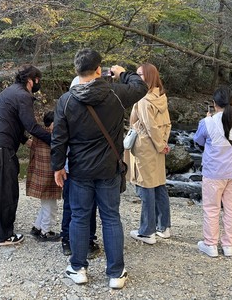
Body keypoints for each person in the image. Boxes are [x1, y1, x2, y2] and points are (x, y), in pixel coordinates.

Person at [51, 49, 146, 289]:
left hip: (80, 169)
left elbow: (59, 138)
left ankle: (78, 267)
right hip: (109, 168)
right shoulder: (115, 93)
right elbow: (141, 87)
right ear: (98, 69)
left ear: (76, 70)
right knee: (111, 217)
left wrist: (57, 166)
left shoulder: (67, 99)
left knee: (80, 217)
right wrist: (123, 74)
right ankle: (115, 273)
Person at [0, 64, 51, 246]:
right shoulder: (23, 95)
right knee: (7, 191)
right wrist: (54, 140)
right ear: (31, 80)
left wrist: (26, 141)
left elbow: (10, 121)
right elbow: (31, 125)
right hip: (2, 148)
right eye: (38, 80)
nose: (38, 84)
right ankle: (4, 235)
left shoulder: (8, 92)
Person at [194, 86, 232, 257]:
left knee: (211, 208)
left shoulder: (207, 123)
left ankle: (210, 244)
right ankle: (228, 245)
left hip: (213, 172)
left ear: (214, 104)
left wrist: (205, 120)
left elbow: (198, 140)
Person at [126, 63, 172, 245]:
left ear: (149, 77)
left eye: (140, 74)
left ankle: (147, 231)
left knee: (145, 187)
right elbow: (166, 124)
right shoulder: (161, 96)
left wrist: (159, 144)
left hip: (145, 146)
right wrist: (163, 143)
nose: (137, 77)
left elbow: (148, 125)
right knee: (159, 185)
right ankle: (164, 226)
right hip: (158, 145)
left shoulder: (144, 99)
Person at [59, 76, 100, 257]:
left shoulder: (66, 107)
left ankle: (68, 240)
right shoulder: (96, 109)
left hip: (72, 166)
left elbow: (59, 140)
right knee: (88, 206)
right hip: (88, 167)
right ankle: (87, 241)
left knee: (72, 205)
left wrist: (58, 165)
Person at [26, 111, 63, 242]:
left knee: (47, 203)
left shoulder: (39, 133)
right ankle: (45, 232)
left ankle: (37, 227)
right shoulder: (53, 135)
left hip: (40, 173)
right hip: (49, 175)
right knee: (50, 205)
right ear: (53, 124)